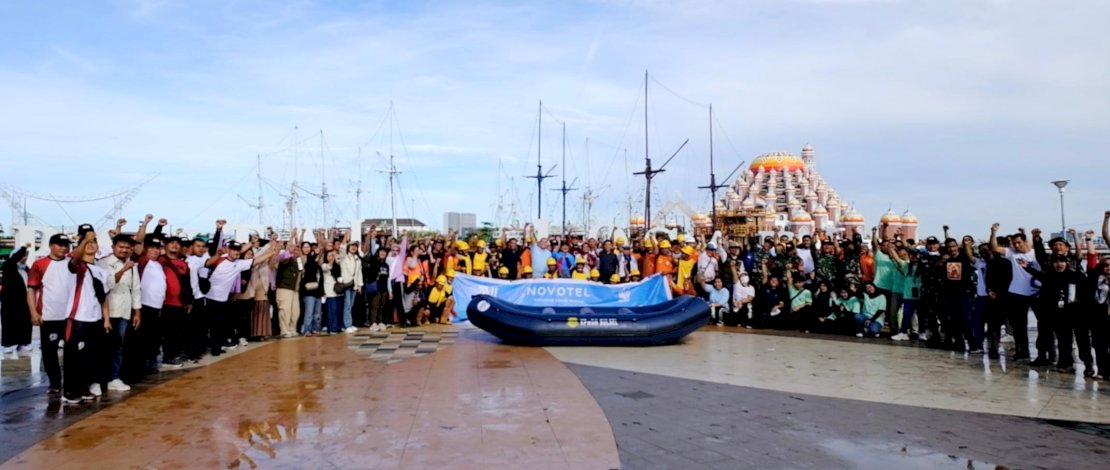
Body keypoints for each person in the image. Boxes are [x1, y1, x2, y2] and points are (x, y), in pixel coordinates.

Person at [58, 227, 113, 404]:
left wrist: (106, 319)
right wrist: (84, 240)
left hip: (95, 319)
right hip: (77, 318)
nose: (90, 245)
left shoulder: (101, 271)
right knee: (74, 356)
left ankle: (83, 387)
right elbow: (76, 258)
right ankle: (69, 391)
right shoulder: (74, 266)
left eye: (93, 242)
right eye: (86, 243)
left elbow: (104, 298)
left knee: (89, 356)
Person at [1022, 254, 1092, 374]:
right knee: (1064, 340)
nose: (1059, 264)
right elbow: (1038, 275)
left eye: (1061, 262)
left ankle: (1088, 364)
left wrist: (1080, 301)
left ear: (1066, 263)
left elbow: (1087, 292)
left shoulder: (1076, 275)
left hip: (1077, 314)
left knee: (1082, 341)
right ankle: (1065, 363)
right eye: (1056, 262)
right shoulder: (1050, 276)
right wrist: (1027, 268)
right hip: (1060, 315)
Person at [204, 240, 275, 354]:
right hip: (210, 296)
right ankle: (214, 348)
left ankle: (218, 346)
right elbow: (208, 263)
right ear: (228, 250)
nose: (236, 252)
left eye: (237, 250)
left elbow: (256, 261)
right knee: (213, 323)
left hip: (223, 298)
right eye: (233, 250)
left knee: (220, 323)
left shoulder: (240, 264)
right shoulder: (221, 258)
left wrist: (270, 253)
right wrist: (250, 244)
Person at [96, 235, 141, 392]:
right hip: (107, 311)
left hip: (124, 311)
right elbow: (106, 285)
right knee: (103, 347)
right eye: (121, 247)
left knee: (118, 346)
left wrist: (137, 312)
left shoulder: (132, 265)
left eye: (128, 247)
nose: (124, 250)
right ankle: (98, 379)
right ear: (113, 247)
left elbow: (135, 289)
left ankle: (113, 378)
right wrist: (123, 270)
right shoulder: (103, 263)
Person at [991, 223, 1040, 362]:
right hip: (1017, 294)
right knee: (1019, 326)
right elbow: (994, 248)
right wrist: (993, 232)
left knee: (1043, 324)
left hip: (1036, 293)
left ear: (1025, 241)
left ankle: (1044, 353)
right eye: (1014, 243)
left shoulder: (1036, 254)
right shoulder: (1012, 253)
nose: (1017, 245)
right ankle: (1023, 352)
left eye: (1019, 242)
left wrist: (1033, 235)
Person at [1, 245, 31, 354]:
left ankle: (23, 343)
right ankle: (7, 345)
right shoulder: (9, 266)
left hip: (25, 300)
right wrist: (24, 248)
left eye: (26, 255)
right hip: (10, 302)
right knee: (9, 323)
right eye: (23, 255)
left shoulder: (26, 268)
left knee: (25, 322)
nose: (25, 257)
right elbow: (14, 259)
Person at [339, 240, 364, 334]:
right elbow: (341, 249)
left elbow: (359, 273)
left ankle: (345, 324)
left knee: (351, 305)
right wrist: (346, 236)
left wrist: (360, 285)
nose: (354, 248)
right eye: (352, 246)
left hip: (354, 285)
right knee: (347, 305)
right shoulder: (344, 257)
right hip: (346, 284)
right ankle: (347, 325)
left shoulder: (358, 259)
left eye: (355, 246)